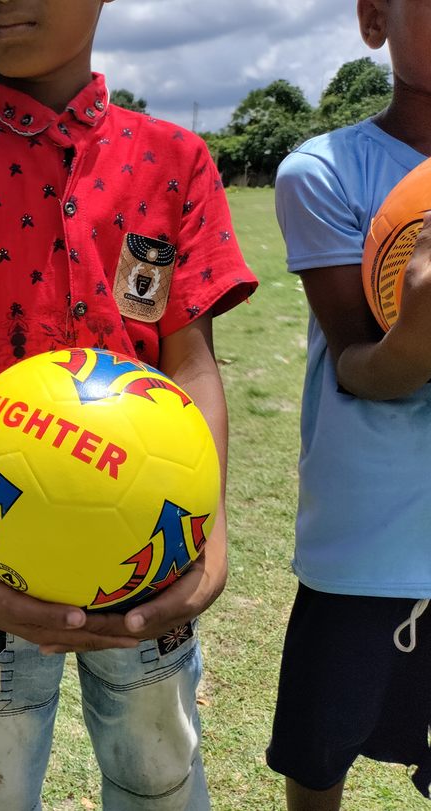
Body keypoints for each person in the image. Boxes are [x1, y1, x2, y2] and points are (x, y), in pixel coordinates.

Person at [0, 1, 259, 807]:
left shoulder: (174, 159)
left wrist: (209, 541)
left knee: (159, 773)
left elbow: (191, 366)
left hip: (150, 551)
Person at [265, 1, 431, 808]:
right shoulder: (323, 171)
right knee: (319, 754)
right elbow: (363, 368)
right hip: (365, 547)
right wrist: (419, 329)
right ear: (375, 19)